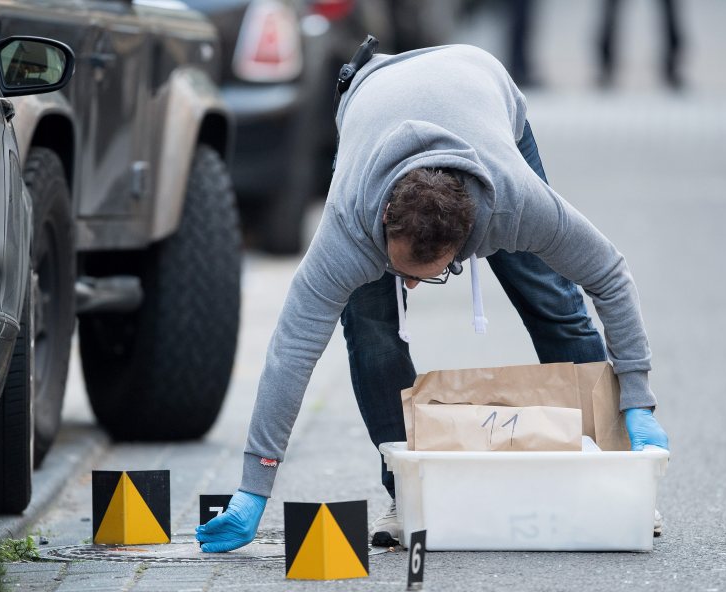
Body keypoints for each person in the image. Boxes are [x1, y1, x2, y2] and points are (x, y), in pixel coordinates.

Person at [195, 44, 669, 553]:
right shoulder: (349, 227)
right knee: (372, 334)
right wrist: (254, 484)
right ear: (383, 224)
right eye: (403, 271)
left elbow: (609, 275)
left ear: (469, 239)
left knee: (552, 300)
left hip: (478, 84)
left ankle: (613, 478)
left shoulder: (515, 204)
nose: (414, 287)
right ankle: (408, 494)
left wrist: (637, 397)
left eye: (434, 274)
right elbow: (292, 350)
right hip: (371, 101)